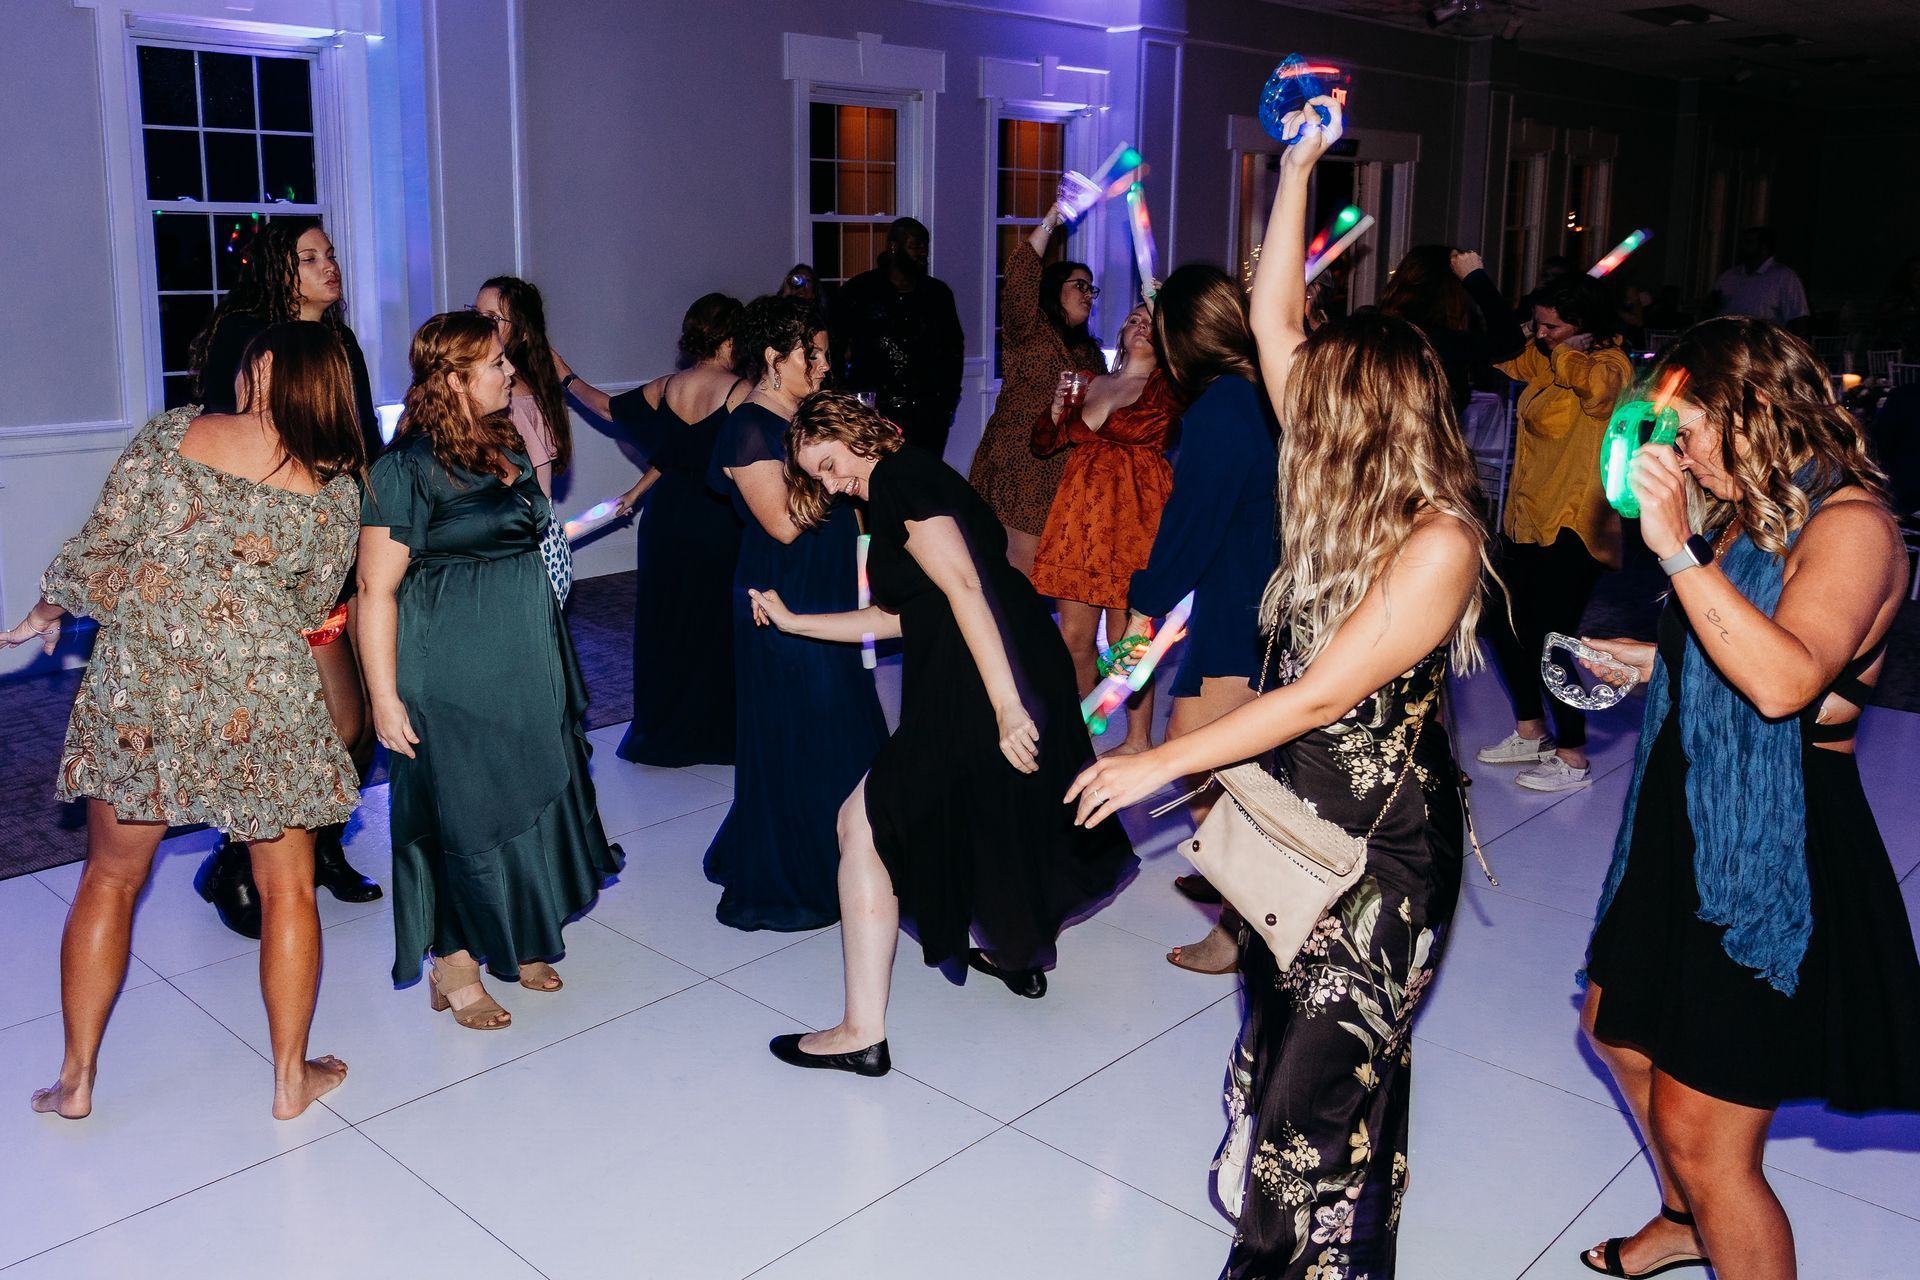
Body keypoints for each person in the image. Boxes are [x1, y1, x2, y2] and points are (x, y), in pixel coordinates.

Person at [1067, 96, 1487, 1279]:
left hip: (1383, 853)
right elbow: (1272, 315)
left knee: (1312, 1105)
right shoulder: (1338, 468)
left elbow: (1314, 695)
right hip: (1293, 817)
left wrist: (1155, 758)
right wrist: (1299, 161)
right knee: (1314, 1059)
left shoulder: (1440, 538)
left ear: (1371, 417)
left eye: (1320, 396)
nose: (1293, 403)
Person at [1577, 316, 1920, 1279]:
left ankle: (1706, 1205)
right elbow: (1730, 645)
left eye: (1688, 432)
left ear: (1755, 409)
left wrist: (1677, 551)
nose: (1679, 454)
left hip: (1778, 839)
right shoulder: (1751, 506)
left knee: (1707, 1137)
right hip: (1687, 810)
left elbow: (1784, 682)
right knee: (1615, 1031)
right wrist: (1655, 661)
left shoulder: (1853, 526)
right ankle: (1685, 1221)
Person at [5, 322, 365, 1120]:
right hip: (262, 696)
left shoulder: (173, 435)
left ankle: (76, 1080)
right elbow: (312, 604)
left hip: (145, 686)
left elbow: (102, 547)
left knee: (108, 878)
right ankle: (290, 1080)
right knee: (288, 889)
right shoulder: (336, 491)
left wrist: (45, 611)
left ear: (262, 369)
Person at [754, 393, 1137, 1076]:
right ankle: (1015, 955)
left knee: (861, 824)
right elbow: (905, 616)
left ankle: (860, 1032)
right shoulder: (908, 476)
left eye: (831, 464)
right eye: (817, 477)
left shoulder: (898, 481)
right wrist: (796, 622)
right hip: (1018, 656)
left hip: (980, 680)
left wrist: (1005, 707)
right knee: (1000, 807)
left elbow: (963, 587)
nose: (831, 484)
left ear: (854, 433)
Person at [357, 312, 623, 1029]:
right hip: (451, 663)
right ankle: (455, 964)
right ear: (454, 379)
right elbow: (375, 590)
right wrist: (383, 697)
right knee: (464, 811)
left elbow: (535, 536)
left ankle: (521, 932)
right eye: (497, 363)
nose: (511, 372)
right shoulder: (403, 469)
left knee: (531, 786)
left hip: (527, 653)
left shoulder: (503, 440)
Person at [188, 216, 383, 936]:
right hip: (270, 558)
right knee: (294, 718)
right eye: (309, 257)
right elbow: (229, 451)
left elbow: (361, 439)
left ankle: (324, 845)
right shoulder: (247, 339)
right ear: (279, 269)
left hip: (342, 536)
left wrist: (380, 522)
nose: (329, 266)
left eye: (330, 253)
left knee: (362, 715)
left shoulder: (340, 341)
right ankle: (238, 858)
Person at [705, 296, 888, 931]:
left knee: (839, 720)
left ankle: (858, 854)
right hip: (780, 596)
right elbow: (784, 524)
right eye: (815, 354)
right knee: (800, 728)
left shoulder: (809, 417)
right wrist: (843, 470)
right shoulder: (750, 427)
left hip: (826, 586)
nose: (825, 365)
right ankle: (801, 868)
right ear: (775, 358)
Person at [1120, 265, 1279, 974]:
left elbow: (1191, 526)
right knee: (1236, 764)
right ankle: (1238, 895)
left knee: (1201, 762)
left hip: (1242, 607)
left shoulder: (1220, 408)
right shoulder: (1266, 390)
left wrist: (1142, 612)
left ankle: (1242, 927)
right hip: (1263, 593)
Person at [559, 293, 749, 767]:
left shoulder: (667, 387)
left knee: (667, 625)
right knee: (716, 626)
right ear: (731, 339)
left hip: (665, 521)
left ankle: (663, 733)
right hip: (718, 519)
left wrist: (564, 374)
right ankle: (717, 735)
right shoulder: (741, 392)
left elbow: (610, 410)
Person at [1476, 274, 1632, 793]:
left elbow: (1599, 394)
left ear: (1584, 325)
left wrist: (1566, 350)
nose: (1541, 334)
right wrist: (1486, 293)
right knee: (1501, 622)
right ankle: (1531, 730)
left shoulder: (1610, 363)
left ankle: (1573, 754)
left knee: (1551, 637)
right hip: (1529, 519)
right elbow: (1503, 357)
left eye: (1553, 326)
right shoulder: (1547, 357)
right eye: (1538, 324)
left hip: (1575, 525)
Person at [1030, 301, 1180, 754]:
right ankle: (1084, 723)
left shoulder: (1168, 387)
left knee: (1125, 638)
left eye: (1151, 322)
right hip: (1078, 517)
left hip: (1135, 517)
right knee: (1073, 637)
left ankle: (1137, 739)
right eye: (1134, 319)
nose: (1140, 326)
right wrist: (1056, 409)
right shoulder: (1089, 381)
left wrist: (1165, 309)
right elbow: (1043, 445)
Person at [967, 201, 1107, 578]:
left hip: (1062, 471)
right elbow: (1019, 277)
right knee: (1014, 570)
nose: (1088, 294)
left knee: (1049, 572)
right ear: (1054, 289)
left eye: (1091, 289)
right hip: (1018, 463)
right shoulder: (1029, 330)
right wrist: (1050, 221)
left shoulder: (1090, 354)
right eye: (1079, 286)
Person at [472, 276, 575, 603]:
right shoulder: (494, 393)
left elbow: (537, 497)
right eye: (475, 314)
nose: (480, 326)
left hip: (529, 549)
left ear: (523, 333)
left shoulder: (512, 398)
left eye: (493, 319)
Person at [829, 218, 965, 461]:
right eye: (916, 246)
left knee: (924, 475)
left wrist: (948, 402)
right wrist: (846, 399)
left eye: (925, 246)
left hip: (929, 414)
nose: (923, 253)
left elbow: (954, 350)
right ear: (894, 246)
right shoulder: (859, 290)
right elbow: (835, 346)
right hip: (875, 412)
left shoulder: (937, 294)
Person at [1375, 245, 1524, 414]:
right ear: (1449, 290)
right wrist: (1476, 279)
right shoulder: (1435, 340)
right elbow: (1510, 339)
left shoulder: (1386, 327)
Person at [1713, 227, 1810, 336]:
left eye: (1749, 242)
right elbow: (1712, 307)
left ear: (1764, 246)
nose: (1742, 247)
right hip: (1727, 340)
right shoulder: (1729, 276)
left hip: (1763, 342)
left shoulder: (1784, 277)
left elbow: (1798, 318)